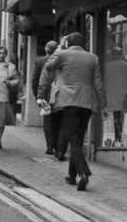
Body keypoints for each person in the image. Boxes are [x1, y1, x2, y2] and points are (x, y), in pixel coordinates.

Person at [38, 31, 103, 191]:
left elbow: (48, 66)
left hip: (68, 102)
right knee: (78, 139)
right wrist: (102, 103)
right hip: (87, 102)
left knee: (73, 139)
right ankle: (72, 176)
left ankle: (83, 172)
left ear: (67, 43)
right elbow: (98, 82)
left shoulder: (62, 54)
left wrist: (59, 48)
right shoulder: (93, 57)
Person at [103, 46, 127, 144]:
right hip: (126, 103)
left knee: (111, 128)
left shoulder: (104, 68)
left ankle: (114, 142)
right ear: (121, 55)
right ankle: (124, 142)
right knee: (125, 126)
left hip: (109, 103)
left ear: (112, 55)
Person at [33, 39, 62, 158]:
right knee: (58, 121)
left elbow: (35, 80)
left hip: (45, 94)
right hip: (59, 95)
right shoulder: (62, 61)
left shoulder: (39, 61)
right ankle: (58, 146)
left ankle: (50, 145)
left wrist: (38, 96)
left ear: (46, 49)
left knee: (48, 121)